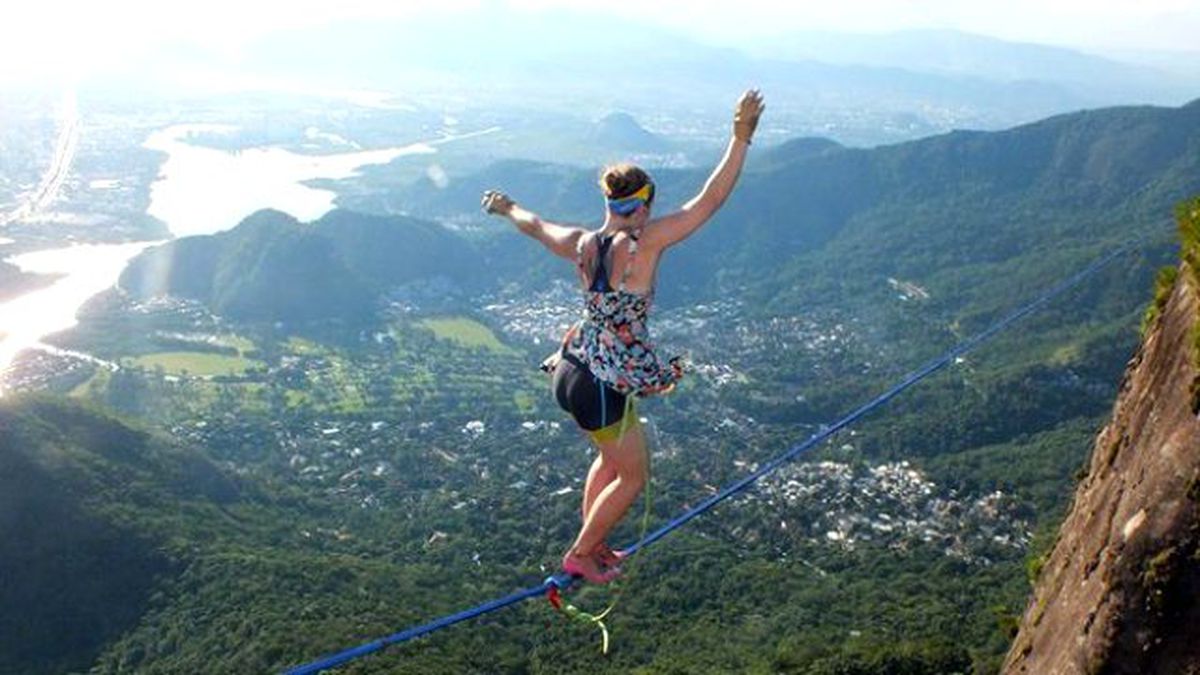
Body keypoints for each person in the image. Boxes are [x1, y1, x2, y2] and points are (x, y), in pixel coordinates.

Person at [481, 89, 765, 583]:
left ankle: (594, 539)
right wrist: (740, 137)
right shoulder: (646, 241)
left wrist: (506, 207)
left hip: (570, 368)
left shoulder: (580, 242)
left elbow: (535, 225)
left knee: (609, 460)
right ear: (644, 205)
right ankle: (581, 553)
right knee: (633, 476)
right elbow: (712, 199)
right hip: (602, 384)